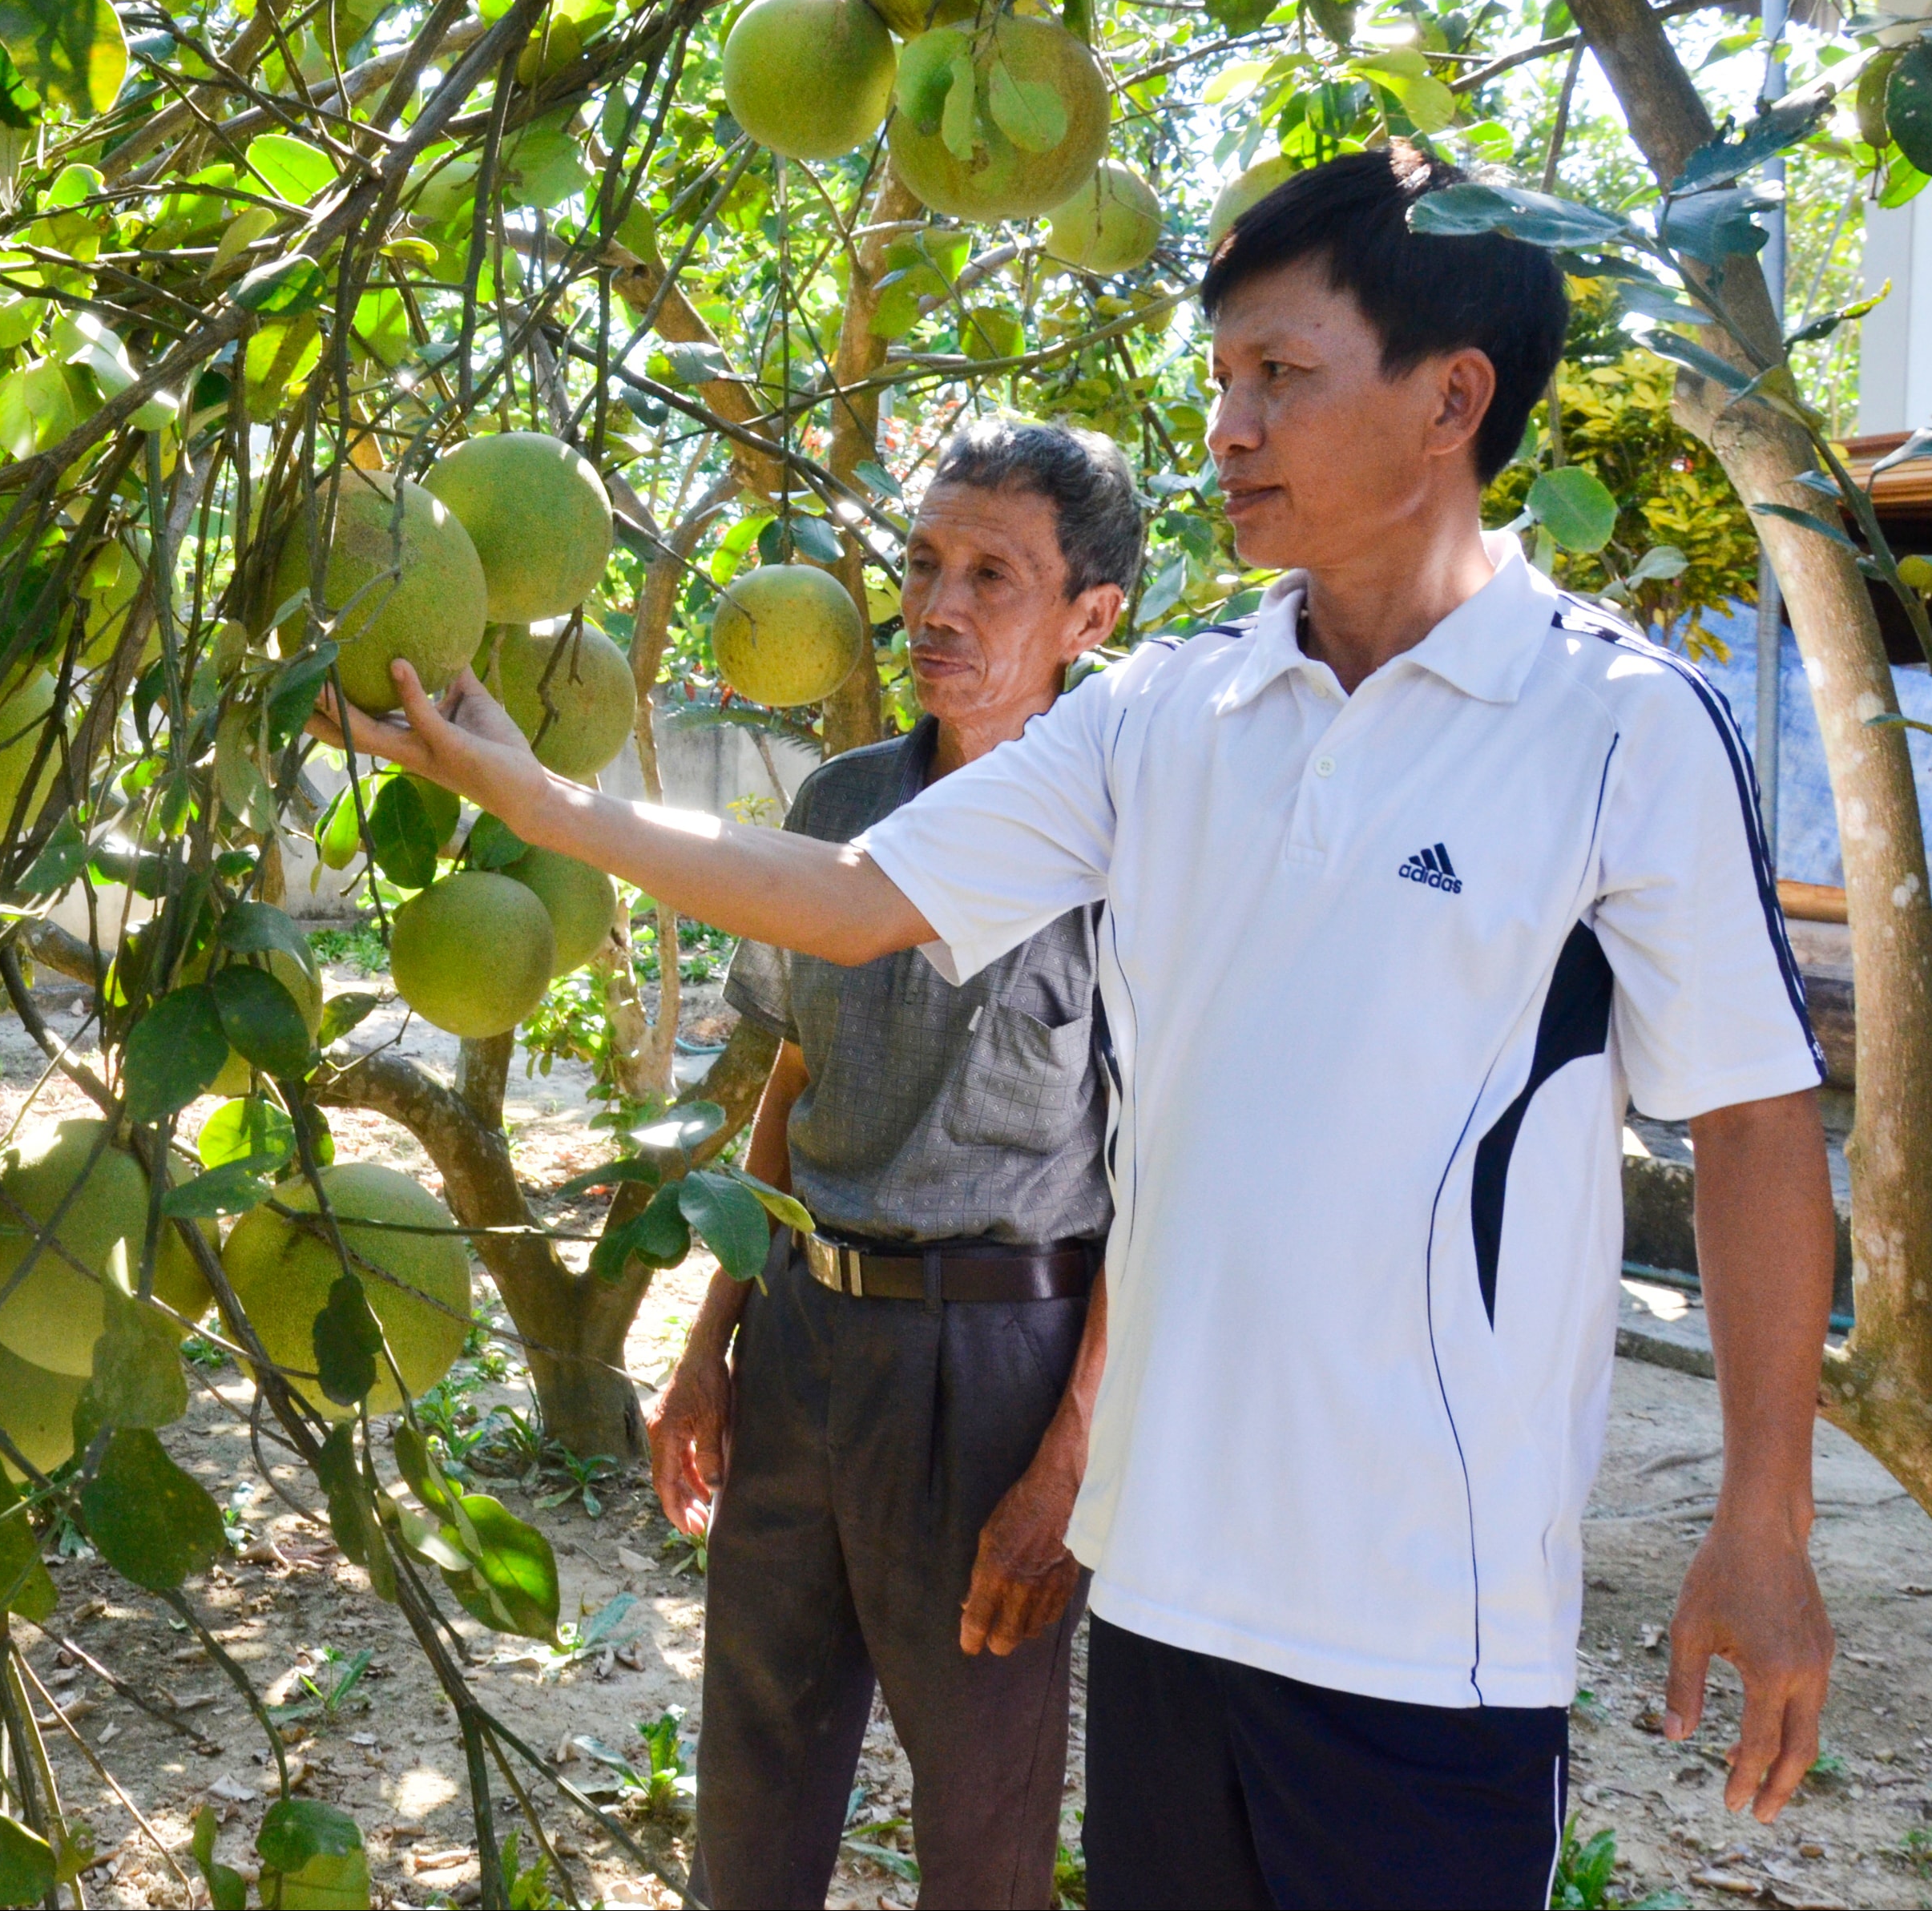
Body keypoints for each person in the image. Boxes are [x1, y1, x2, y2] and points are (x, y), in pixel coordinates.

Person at [319, 143, 1837, 1909]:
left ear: (1451, 399)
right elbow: (847, 894)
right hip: (1173, 1596)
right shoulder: (1171, 710)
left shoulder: (1611, 725)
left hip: (1427, 1614)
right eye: (1219, 383)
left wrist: (1764, 1514)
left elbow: (1750, 1124)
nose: (1230, 431)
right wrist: (529, 798)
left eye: (1282, 377)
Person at [647, 418, 1137, 1909]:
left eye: (995, 574)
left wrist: (1068, 1465)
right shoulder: (841, 807)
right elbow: (796, 1072)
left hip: (1001, 1366)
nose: (937, 605)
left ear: (1092, 618)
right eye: (925, 563)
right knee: (753, 1786)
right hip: (806, 1331)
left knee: (983, 1829)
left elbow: (1171, 1173)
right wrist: (711, 1341)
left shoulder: (1137, 830)